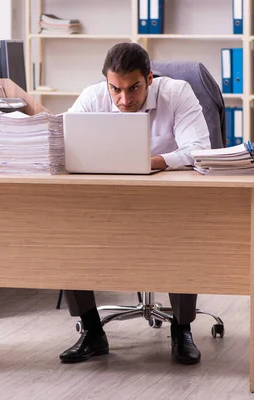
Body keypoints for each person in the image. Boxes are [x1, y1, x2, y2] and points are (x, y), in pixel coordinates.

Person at [59, 42, 211, 365]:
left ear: (150, 78)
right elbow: (64, 145)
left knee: (183, 228)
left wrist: (151, 161)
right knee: (66, 230)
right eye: (115, 89)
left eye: (133, 88)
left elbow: (199, 150)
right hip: (106, 202)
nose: (124, 99)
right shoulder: (93, 97)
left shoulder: (178, 93)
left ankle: (181, 330)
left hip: (168, 203)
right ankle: (92, 331)